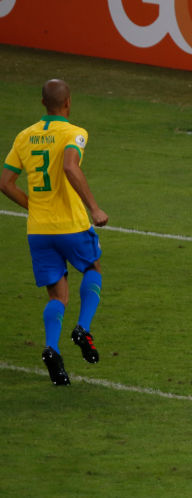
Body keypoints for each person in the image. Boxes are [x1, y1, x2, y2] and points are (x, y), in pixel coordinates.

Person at [1, 79, 108, 386]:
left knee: (57, 295)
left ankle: (52, 349)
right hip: (71, 224)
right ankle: (83, 328)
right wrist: (94, 208)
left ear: (42, 103)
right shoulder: (74, 133)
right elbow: (70, 167)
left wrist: (33, 206)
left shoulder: (24, 136)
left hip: (39, 230)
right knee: (92, 268)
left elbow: (5, 183)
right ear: (68, 102)